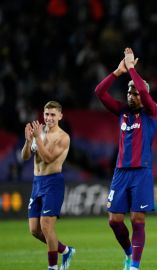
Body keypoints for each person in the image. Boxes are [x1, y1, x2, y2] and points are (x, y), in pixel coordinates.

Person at [95, 47, 157, 270]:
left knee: (137, 219)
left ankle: (134, 266)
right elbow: (99, 92)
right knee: (114, 221)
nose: (131, 95)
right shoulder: (122, 111)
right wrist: (117, 72)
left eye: (134, 92)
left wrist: (132, 68)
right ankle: (129, 252)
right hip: (120, 171)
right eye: (129, 92)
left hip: (141, 170)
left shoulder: (152, 111)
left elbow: (142, 87)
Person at [21, 100, 76, 270]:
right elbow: (25, 156)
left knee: (46, 226)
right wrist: (28, 141)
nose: (49, 118)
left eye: (53, 114)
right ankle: (66, 250)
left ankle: (52, 267)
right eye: (46, 114)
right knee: (35, 230)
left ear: (60, 116)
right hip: (37, 182)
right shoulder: (40, 132)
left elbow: (48, 158)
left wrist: (37, 137)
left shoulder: (63, 137)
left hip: (53, 183)